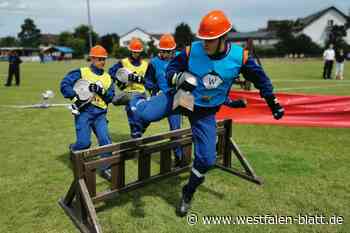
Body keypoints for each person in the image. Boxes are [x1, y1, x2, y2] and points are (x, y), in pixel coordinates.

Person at [125, 10, 284, 216]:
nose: (205, 43)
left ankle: (188, 192)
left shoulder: (240, 57)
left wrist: (272, 102)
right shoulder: (192, 51)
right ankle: (135, 100)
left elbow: (261, 79)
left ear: (223, 38)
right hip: (182, 97)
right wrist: (178, 78)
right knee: (144, 115)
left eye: (210, 39)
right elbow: (171, 70)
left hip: (205, 111)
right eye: (203, 38)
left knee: (207, 160)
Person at [60, 45, 115, 181]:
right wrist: (75, 96)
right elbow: (65, 84)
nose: (102, 62)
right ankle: (74, 149)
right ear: (92, 58)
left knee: (105, 141)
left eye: (104, 59)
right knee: (84, 143)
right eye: (99, 59)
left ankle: (105, 168)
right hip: (84, 113)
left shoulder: (108, 78)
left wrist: (102, 91)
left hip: (100, 114)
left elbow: (110, 97)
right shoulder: (82, 72)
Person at [144, 33, 184, 165]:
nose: (167, 54)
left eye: (170, 51)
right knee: (146, 118)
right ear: (160, 50)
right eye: (164, 51)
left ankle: (179, 158)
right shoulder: (154, 63)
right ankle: (136, 138)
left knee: (176, 128)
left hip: (180, 96)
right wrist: (155, 89)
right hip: (163, 99)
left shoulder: (180, 57)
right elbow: (148, 81)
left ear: (174, 50)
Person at [109, 38, 149, 138]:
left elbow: (150, 81)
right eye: (134, 52)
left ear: (141, 52)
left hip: (141, 93)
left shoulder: (146, 65)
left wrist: (140, 80)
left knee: (140, 109)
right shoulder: (123, 62)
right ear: (130, 51)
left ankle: (138, 129)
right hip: (127, 92)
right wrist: (122, 80)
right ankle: (137, 129)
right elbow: (111, 72)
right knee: (115, 100)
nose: (136, 54)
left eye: (138, 52)